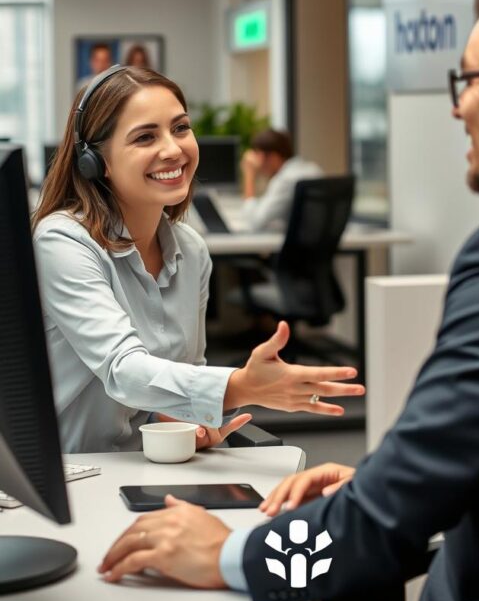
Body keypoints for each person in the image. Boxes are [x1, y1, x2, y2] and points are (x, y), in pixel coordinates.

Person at [100, 0, 479, 601]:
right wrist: (374, 484)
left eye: (468, 80)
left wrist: (229, 554)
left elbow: (391, 521)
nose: (455, 109)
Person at [33, 66, 364, 454]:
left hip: (145, 463)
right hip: (69, 474)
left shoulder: (190, 250)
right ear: (95, 160)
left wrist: (189, 419)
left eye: (180, 128)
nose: (173, 149)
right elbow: (122, 371)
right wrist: (240, 386)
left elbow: (185, 374)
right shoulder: (64, 241)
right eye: (145, 137)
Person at [240, 128, 323, 232]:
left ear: (273, 157)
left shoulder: (285, 180)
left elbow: (254, 223)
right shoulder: (313, 169)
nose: (258, 163)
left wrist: (249, 174)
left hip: (296, 247)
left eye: (258, 155)